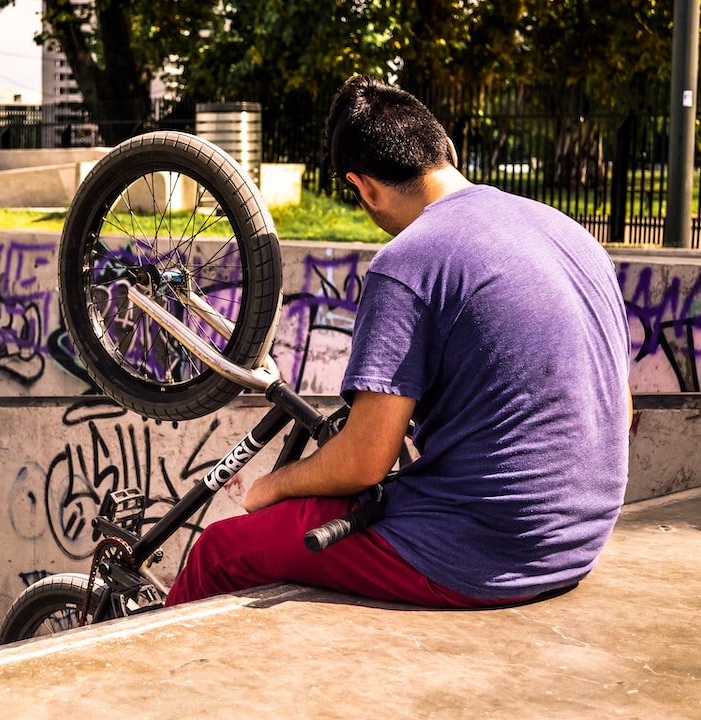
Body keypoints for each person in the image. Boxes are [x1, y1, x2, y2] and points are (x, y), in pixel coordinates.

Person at [164, 75, 632, 609]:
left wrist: (274, 487)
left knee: (218, 552)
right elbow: (622, 406)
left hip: (484, 554)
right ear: (447, 150)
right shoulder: (571, 233)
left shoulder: (409, 260)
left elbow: (366, 460)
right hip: (580, 541)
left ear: (362, 187)